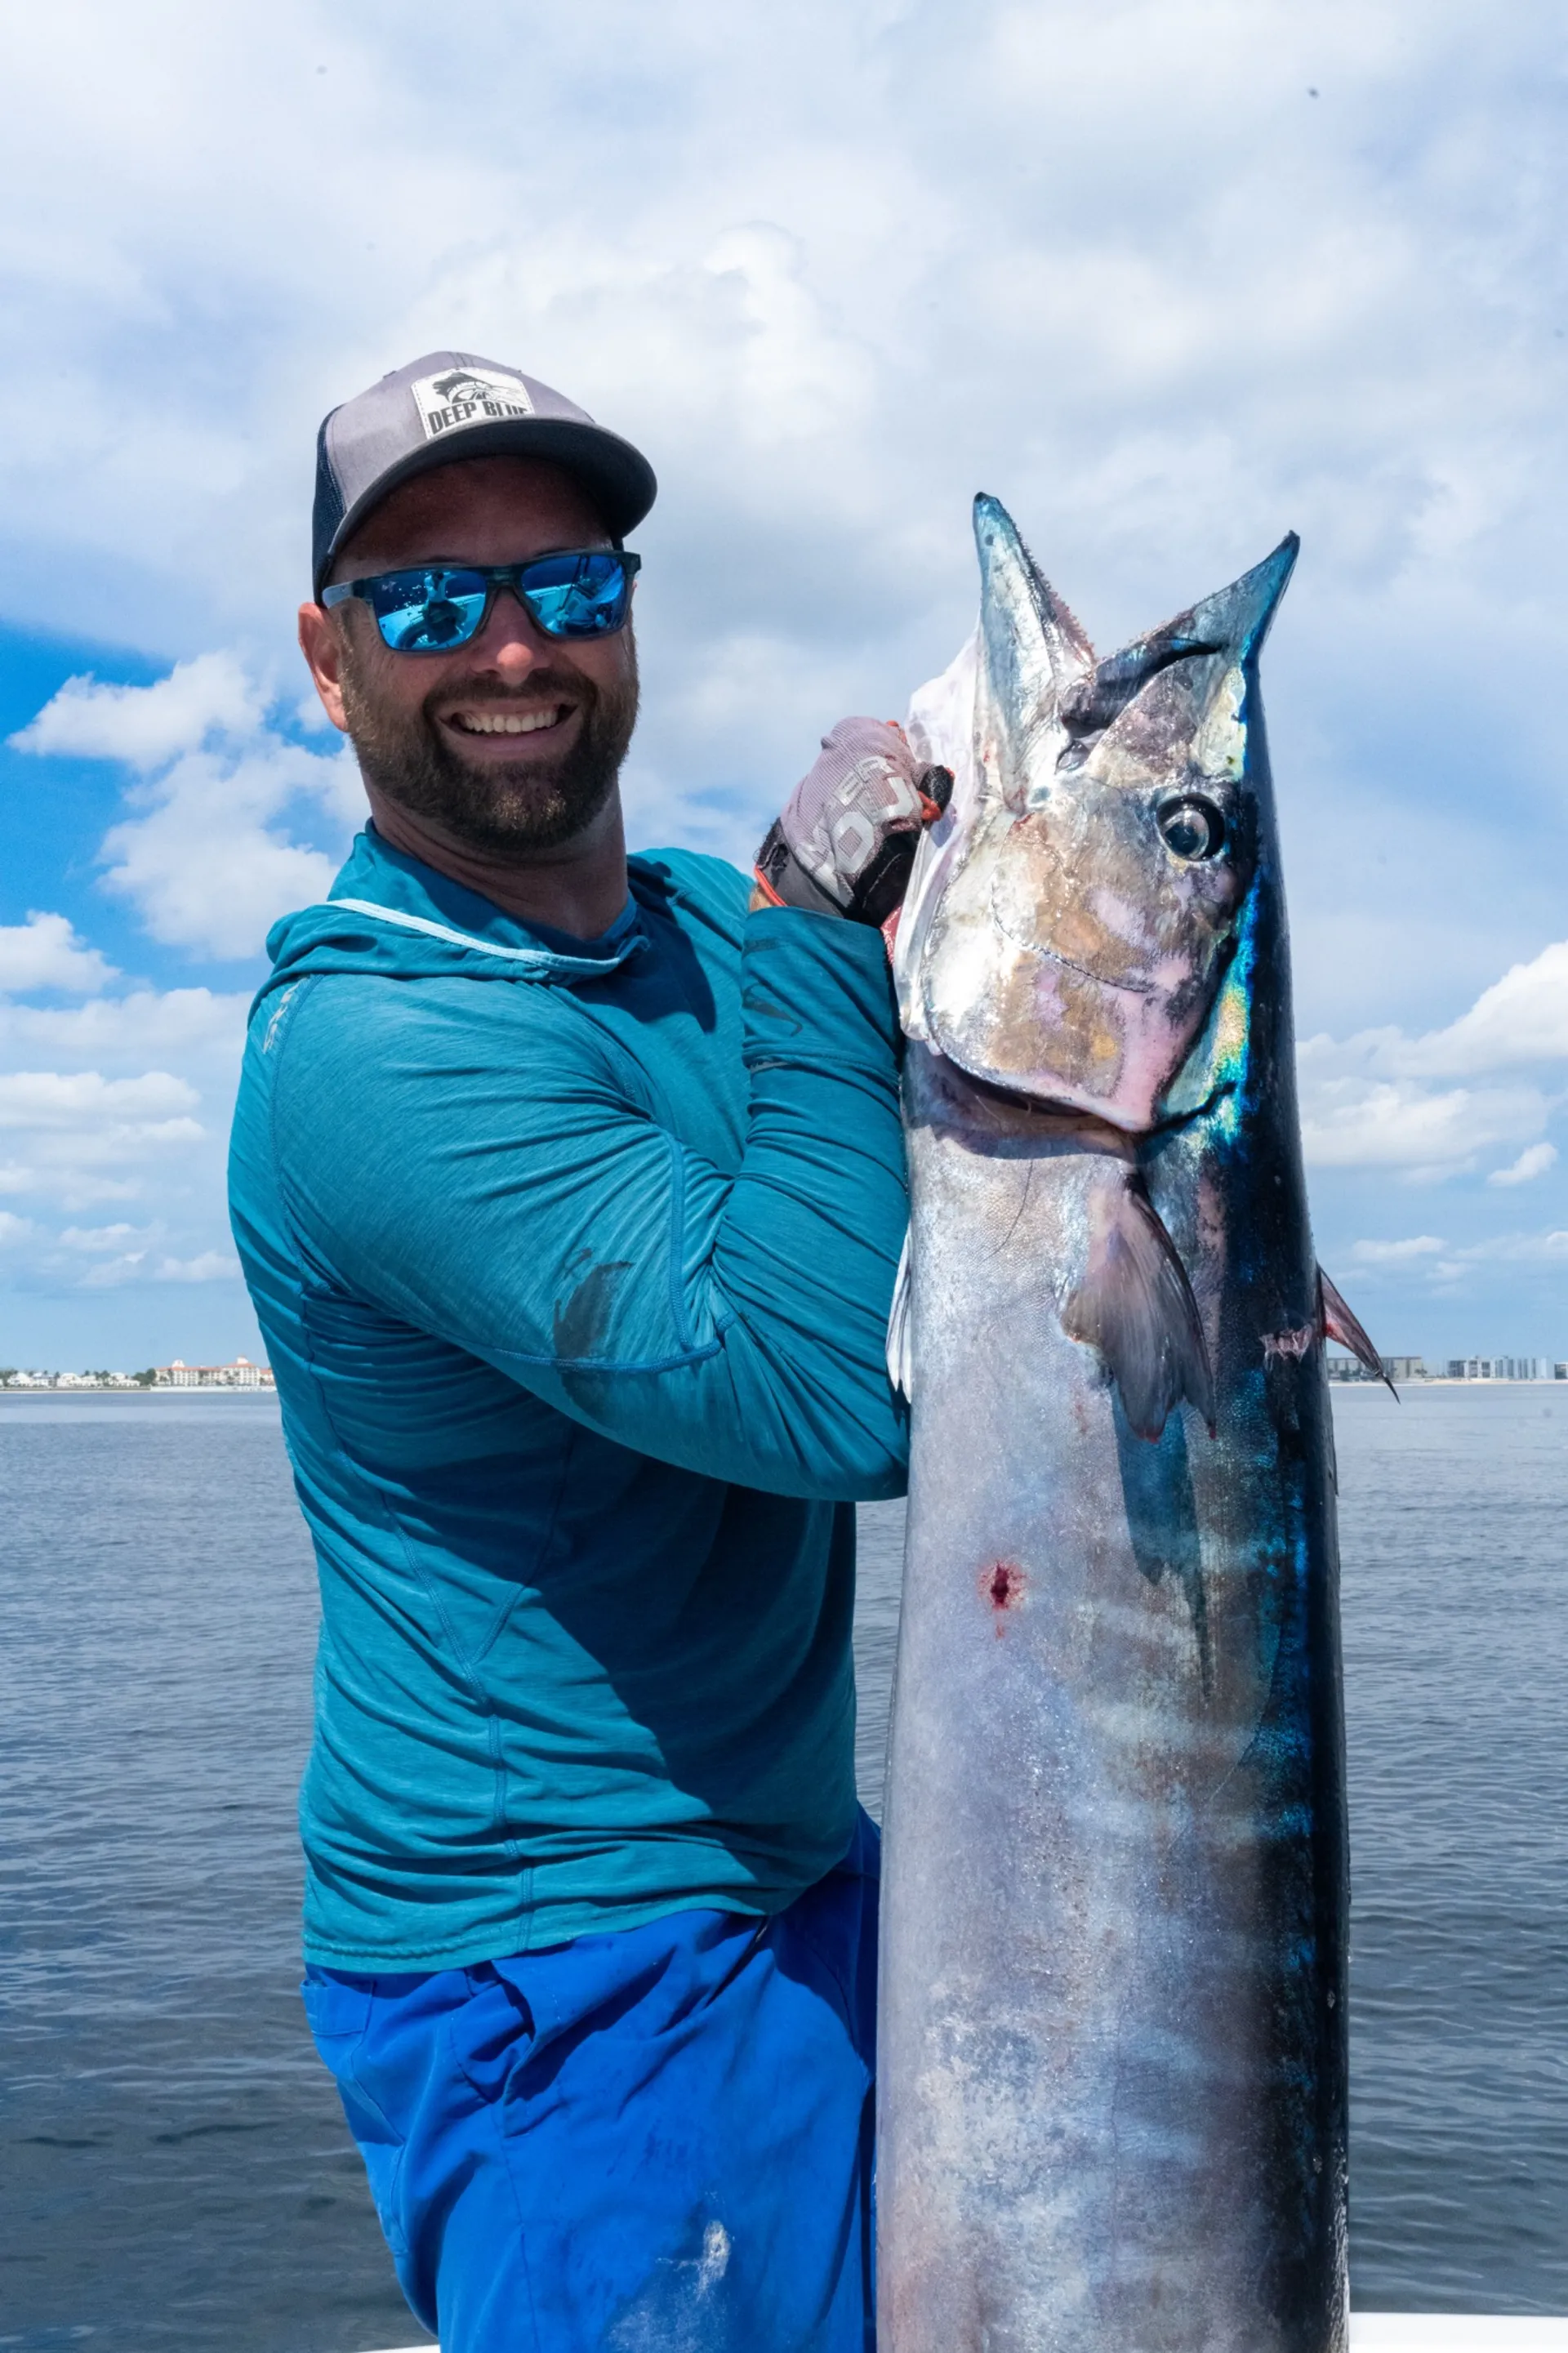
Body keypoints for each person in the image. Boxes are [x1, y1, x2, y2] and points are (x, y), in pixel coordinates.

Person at [228, 350, 944, 2351]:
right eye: (431, 603)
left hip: (812, 1879)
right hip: (558, 1979)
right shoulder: (370, 1054)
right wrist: (818, 917)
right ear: (328, 656)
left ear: (630, 608)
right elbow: (831, 1386)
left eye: (569, 583)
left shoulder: (712, 934)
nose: (515, 648)